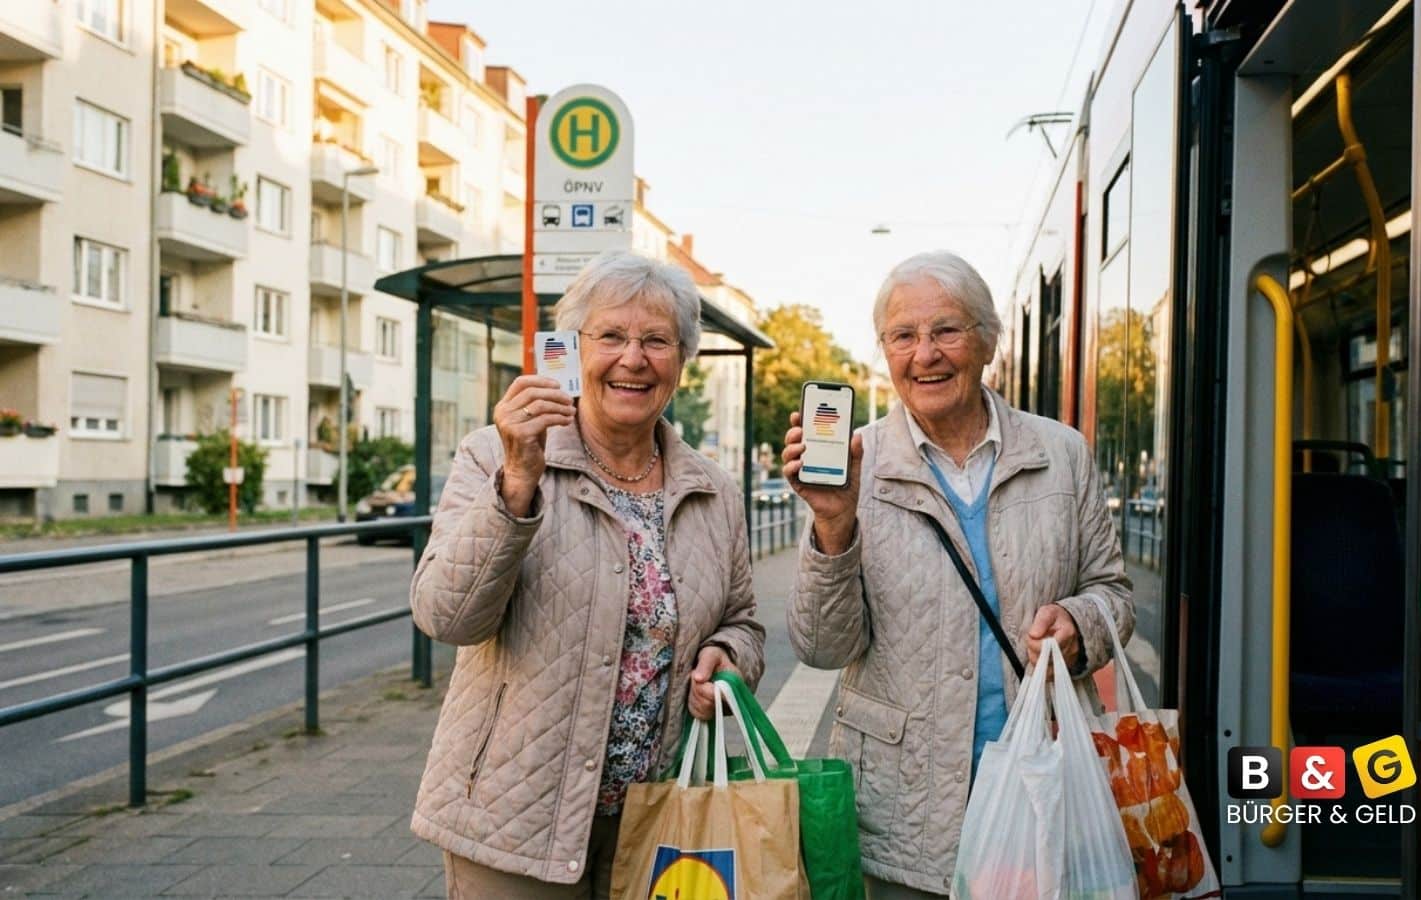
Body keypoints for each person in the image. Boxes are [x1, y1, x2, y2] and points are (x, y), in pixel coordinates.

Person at [409, 251, 766, 898]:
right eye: (610, 336)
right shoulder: (494, 455)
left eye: (657, 340)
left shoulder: (713, 490)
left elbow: (743, 621)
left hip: (659, 822)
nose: (633, 358)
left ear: (681, 362)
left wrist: (728, 655)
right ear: (572, 350)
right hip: (515, 820)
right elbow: (445, 616)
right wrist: (517, 483)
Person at [784, 251, 1136, 898]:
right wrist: (833, 523)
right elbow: (822, 647)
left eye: (946, 330)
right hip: (901, 818)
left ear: (988, 342)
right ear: (885, 351)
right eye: (903, 336)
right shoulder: (859, 465)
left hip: (1043, 793)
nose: (926, 355)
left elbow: (1114, 595)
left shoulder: (1061, 454)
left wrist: (1080, 625)